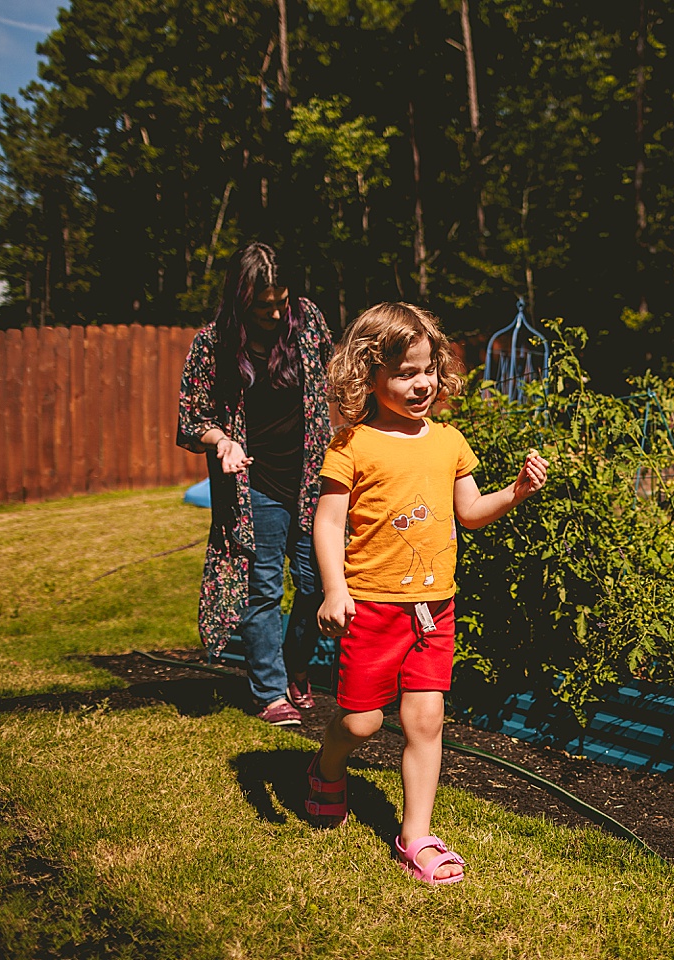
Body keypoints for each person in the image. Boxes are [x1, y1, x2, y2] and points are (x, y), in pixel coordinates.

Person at [307, 301, 548, 885]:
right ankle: (326, 768)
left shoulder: (448, 441)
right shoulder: (353, 445)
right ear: (369, 377)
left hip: (434, 608)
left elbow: (469, 513)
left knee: (426, 721)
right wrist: (333, 589)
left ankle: (415, 834)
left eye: (428, 370)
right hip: (370, 607)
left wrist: (514, 492)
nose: (422, 384)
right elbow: (328, 522)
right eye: (404, 372)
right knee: (361, 722)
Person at [177, 242, 333, 726]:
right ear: (241, 299)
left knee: (315, 583)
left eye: (280, 301)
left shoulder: (307, 320)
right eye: (263, 304)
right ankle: (270, 692)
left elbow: (335, 379)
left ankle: (296, 665)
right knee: (262, 589)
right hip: (254, 486)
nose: (274, 311)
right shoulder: (213, 343)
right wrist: (220, 439)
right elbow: (190, 418)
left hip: (312, 478)